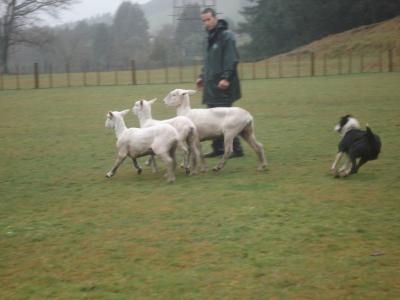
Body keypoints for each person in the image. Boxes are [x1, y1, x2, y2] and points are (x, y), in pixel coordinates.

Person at [196, 7, 244, 158]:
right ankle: (218, 149)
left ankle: (236, 149)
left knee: (225, 119)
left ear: (215, 18)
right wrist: (202, 77)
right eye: (203, 20)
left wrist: (226, 78)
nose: (206, 23)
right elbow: (209, 62)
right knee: (212, 120)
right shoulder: (210, 37)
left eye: (208, 19)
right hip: (211, 86)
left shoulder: (226, 36)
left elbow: (231, 59)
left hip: (223, 86)